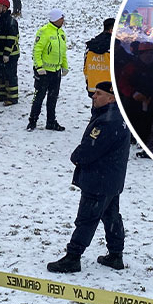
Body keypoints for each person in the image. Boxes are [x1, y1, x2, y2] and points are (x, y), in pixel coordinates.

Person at [47, 81, 129, 273]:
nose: (94, 96)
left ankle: (73, 257)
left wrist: (76, 157)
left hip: (99, 180)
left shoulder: (107, 120)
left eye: (99, 93)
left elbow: (90, 150)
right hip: (112, 179)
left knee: (87, 219)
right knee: (111, 216)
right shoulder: (116, 116)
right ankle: (116, 254)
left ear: (111, 97)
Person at [117, 42, 153, 157]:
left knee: (147, 125)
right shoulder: (131, 67)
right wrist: (133, 93)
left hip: (151, 103)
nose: (150, 56)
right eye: (147, 53)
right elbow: (122, 83)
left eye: (152, 53)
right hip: (133, 103)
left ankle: (145, 146)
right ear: (141, 54)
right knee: (133, 123)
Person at [28, 9, 68, 131]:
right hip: (44, 72)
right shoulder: (44, 32)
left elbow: (63, 52)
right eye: (61, 18)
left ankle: (51, 121)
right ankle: (32, 121)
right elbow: (37, 50)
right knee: (39, 96)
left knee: (53, 97)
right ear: (55, 19)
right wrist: (39, 67)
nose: (63, 21)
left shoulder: (61, 33)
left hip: (56, 72)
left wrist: (64, 66)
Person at [0, 0, 20, 105]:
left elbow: (11, 39)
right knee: (1, 75)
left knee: (10, 75)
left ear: (5, 8)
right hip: (1, 54)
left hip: (11, 55)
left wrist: (7, 54)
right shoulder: (0, 19)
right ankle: (2, 95)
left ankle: (13, 98)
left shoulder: (11, 22)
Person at [84, 19, 113, 96]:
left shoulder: (91, 45)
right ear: (111, 30)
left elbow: (85, 68)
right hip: (110, 90)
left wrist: (88, 82)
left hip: (93, 88)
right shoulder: (115, 46)